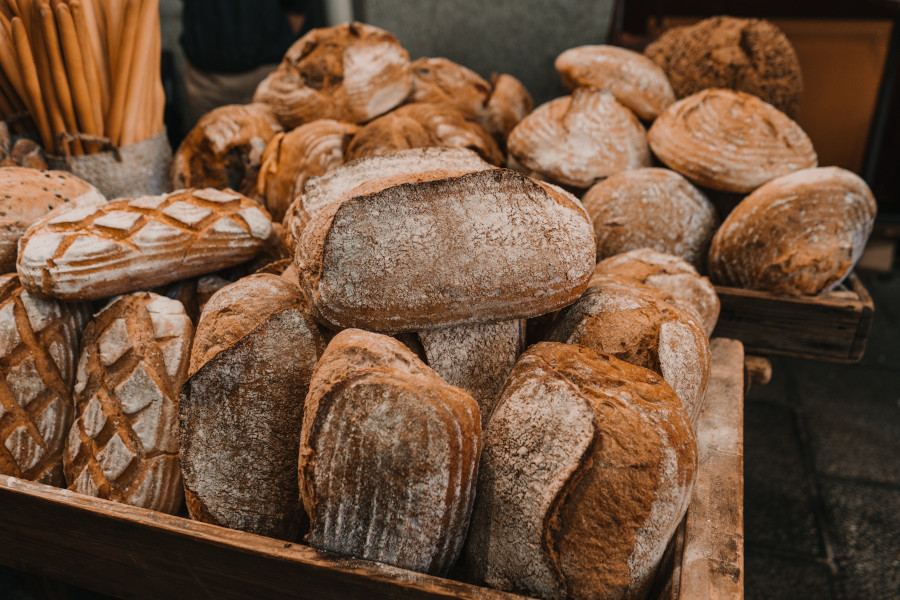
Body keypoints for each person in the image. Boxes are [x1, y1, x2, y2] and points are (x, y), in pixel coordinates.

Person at [180, 0, 323, 124]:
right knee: (209, 149)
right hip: (206, 81)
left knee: (278, 149)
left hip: (268, 73)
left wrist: (288, 27)